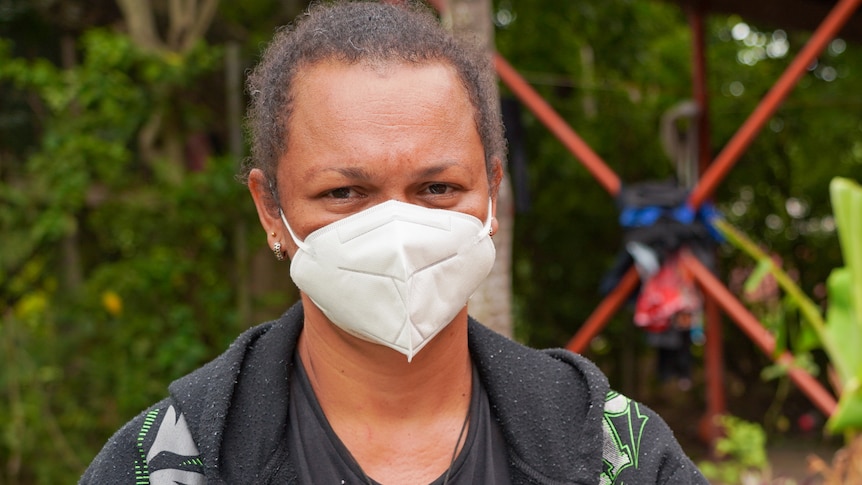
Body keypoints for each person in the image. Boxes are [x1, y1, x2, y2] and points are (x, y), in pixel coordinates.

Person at [81, 1, 708, 483]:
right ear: (270, 209)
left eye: (437, 187)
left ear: (493, 194)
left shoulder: (611, 454)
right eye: (345, 194)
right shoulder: (172, 461)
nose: (398, 232)